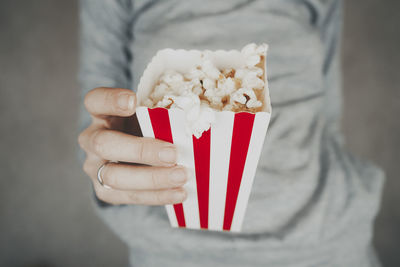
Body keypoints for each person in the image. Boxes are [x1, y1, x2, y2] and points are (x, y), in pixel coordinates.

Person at [78, 0, 384, 266]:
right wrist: (106, 171)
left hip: (326, 236)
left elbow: (327, 116)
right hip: (172, 249)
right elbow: (101, 121)